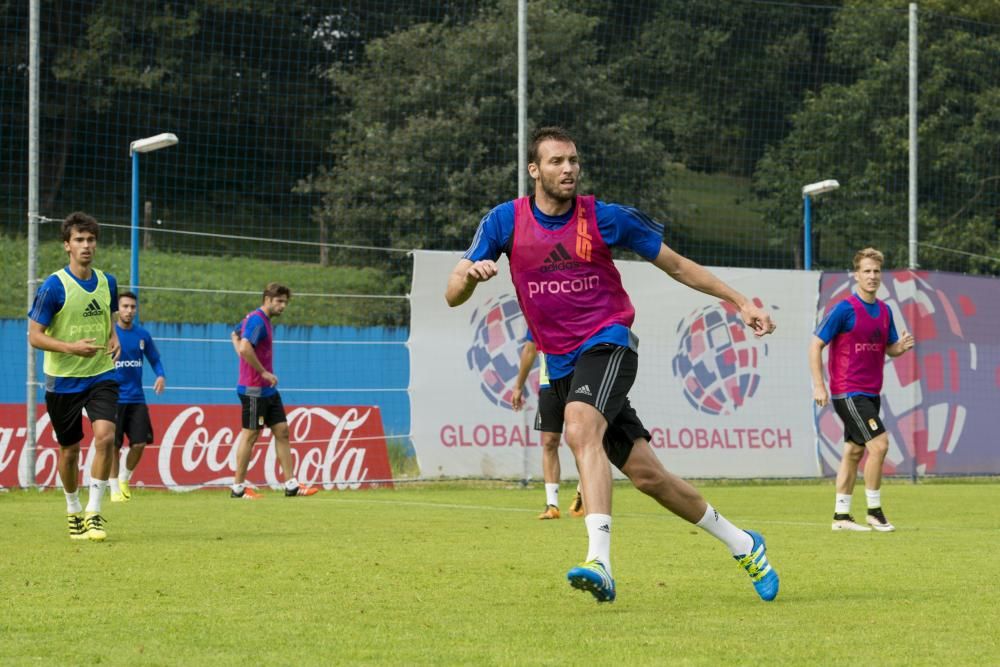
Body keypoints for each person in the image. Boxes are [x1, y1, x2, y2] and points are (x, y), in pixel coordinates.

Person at [445, 126, 780, 603]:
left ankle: (599, 561)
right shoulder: (504, 221)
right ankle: (745, 544)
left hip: (608, 344)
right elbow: (453, 291)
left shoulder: (606, 218)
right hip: (559, 366)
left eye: (574, 161)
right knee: (649, 477)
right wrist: (471, 279)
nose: (568, 169)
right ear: (534, 170)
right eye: (557, 161)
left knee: (580, 429)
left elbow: (679, 266)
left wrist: (740, 302)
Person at [28, 212, 120, 541]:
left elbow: (108, 315)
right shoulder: (54, 286)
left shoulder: (108, 281)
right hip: (63, 380)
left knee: (106, 436)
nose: (86, 246)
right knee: (69, 451)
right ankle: (73, 509)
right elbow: (34, 336)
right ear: (67, 245)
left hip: (101, 374)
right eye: (79, 240)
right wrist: (69, 347)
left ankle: (95, 512)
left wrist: (113, 336)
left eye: (91, 240)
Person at [809, 247, 915, 532]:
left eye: (876, 271)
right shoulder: (844, 309)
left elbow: (889, 348)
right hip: (848, 391)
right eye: (866, 271)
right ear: (856, 275)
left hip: (871, 393)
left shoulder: (884, 311)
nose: (872, 276)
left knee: (854, 452)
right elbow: (815, 344)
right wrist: (819, 385)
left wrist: (900, 348)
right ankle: (874, 511)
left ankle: (841, 517)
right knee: (879, 445)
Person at [229, 283, 317, 499]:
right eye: (279, 301)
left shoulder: (258, 319)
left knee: (282, 431)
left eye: (285, 302)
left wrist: (248, 362)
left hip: (267, 391)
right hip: (254, 390)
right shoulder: (258, 320)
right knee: (251, 435)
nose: (283, 306)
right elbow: (244, 346)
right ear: (267, 299)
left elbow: (235, 334)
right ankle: (238, 488)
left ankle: (291, 484)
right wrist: (262, 372)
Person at [511, 331, 584, 520]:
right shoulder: (537, 311)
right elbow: (530, 349)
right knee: (550, 441)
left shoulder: (579, 309)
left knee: (582, 441)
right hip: (548, 385)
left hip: (578, 382)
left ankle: (583, 494)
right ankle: (552, 505)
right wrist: (518, 386)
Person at [110, 291, 166, 502]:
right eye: (125, 306)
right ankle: (114, 488)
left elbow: (155, 359)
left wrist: (160, 375)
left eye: (132, 307)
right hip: (113, 399)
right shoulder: (110, 334)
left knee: (140, 443)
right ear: (117, 310)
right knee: (113, 446)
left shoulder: (142, 335)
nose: (129, 311)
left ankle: (125, 478)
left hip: (136, 399)